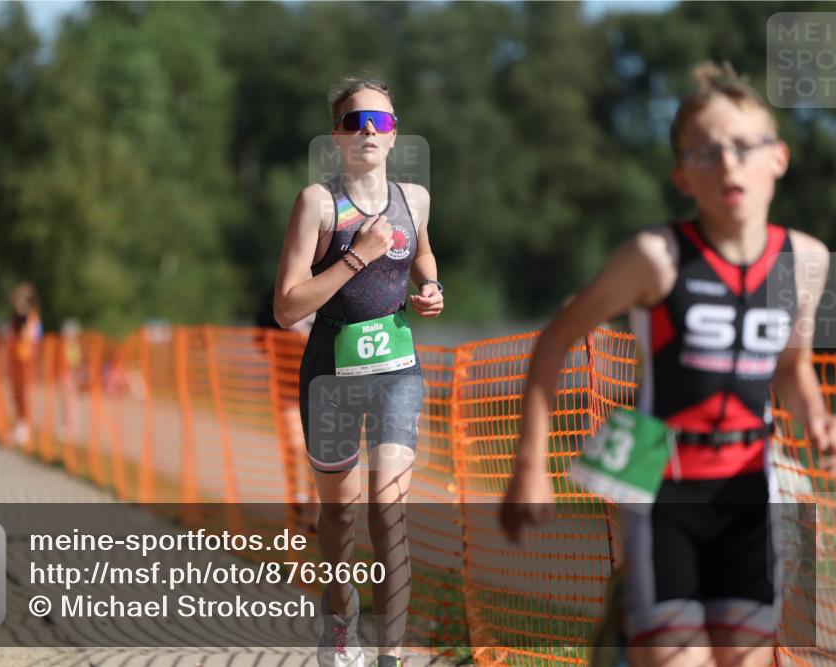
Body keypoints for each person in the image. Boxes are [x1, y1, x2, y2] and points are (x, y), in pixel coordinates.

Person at [499, 62, 836, 667]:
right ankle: (633, 618)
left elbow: (792, 365)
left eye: (743, 146)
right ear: (683, 176)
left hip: (750, 491)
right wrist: (530, 465)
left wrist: (814, 416)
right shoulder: (656, 257)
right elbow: (554, 341)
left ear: (778, 158)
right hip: (662, 484)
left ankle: (629, 618)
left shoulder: (804, 261)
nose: (728, 164)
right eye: (705, 152)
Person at [274, 75, 444, 667]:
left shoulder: (414, 199)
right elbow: (286, 307)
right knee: (341, 513)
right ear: (337, 137)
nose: (369, 131)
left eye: (381, 121)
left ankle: (391, 656)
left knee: (387, 510)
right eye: (355, 121)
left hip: (397, 368)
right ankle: (341, 626)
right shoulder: (318, 204)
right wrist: (355, 258)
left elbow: (423, 252)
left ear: (395, 135)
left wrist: (431, 286)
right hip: (330, 372)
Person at [7, 282, 41, 447]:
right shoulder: (17, 317)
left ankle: (25, 426)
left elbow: (32, 336)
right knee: (17, 392)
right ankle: (20, 424)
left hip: (25, 359)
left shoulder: (30, 317)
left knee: (24, 393)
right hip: (16, 359)